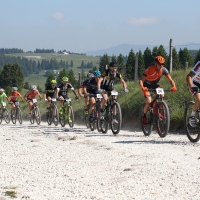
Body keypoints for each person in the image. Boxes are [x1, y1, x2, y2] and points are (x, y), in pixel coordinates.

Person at [139, 56, 177, 125]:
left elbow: (170, 80)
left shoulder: (164, 70)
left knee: (161, 95)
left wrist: (173, 86)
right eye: (159, 64)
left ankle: (158, 109)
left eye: (163, 64)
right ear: (155, 63)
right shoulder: (149, 69)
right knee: (149, 103)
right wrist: (142, 87)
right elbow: (141, 79)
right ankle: (144, 115)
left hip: (155, 85)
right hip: (146, 85)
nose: (161, 65)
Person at [186, 60, 200, 127]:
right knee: (199, 99)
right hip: (194, 83)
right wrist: (192, 87)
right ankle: (192, 116)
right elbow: (188, 77)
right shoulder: (199, 64)